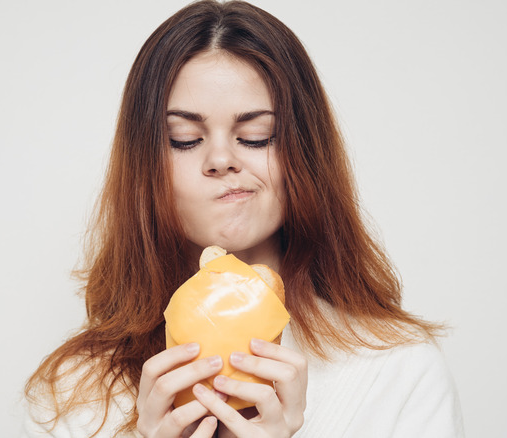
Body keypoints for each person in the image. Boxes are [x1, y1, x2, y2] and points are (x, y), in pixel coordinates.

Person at [23, 1, 464, 437]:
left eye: (256, 136)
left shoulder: (398, 370)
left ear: (304, 152)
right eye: (185, 139)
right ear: (145, 166)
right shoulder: (72, 396)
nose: (221, 159)